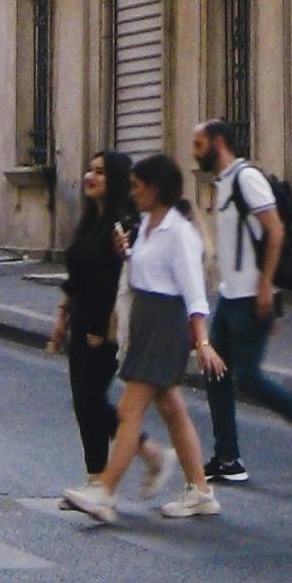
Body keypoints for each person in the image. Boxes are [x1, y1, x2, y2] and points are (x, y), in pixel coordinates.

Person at [60, 154, 221, 526]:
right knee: (171, 409)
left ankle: (105, 491)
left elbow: (193, 293)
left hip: (166, 324)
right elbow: (145, 274)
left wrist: (202, 342)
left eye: (137, 186)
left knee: (129, 411)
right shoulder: (148, 224)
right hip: (147, 320)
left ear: (156, 188)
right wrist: (127, 253)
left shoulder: (179, 232)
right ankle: (200, 490)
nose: (132, 193)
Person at [191, 117, 292, 483]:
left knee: (248, 376)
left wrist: (266, 286)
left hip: (250, 296)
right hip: (231, 296)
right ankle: (228, 459)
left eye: (198, 145)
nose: (193, 153)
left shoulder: (247, 178)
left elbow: (275, 230)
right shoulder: (224, 183)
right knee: (216, 374)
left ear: (217, 142)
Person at [45, 148, 132, 476]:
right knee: (84, 404)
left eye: (100, 172)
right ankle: (96, 476)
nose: (89, 177)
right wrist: (60, 318)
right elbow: (76, 277)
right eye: (90, 170)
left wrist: (98, 328)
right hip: (81, 322)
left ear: (117, 180)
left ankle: (141, 448)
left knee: (90, 400)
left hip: (105, 327)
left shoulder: (120, 224)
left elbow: (112, 282)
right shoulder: (89, 222)